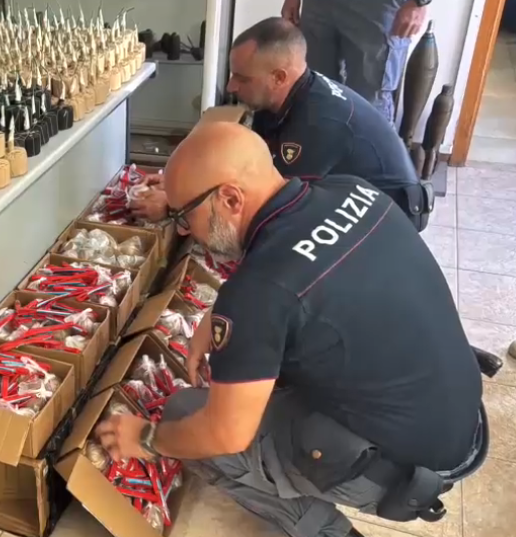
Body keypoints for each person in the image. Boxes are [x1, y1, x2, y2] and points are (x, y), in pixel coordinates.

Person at [96, 122, 485, 537]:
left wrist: (148, 438)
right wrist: (227, 311)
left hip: (406, 474)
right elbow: (308, 272)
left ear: (230, 199)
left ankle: (329, 532)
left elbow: (225, 434)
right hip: (461, 421)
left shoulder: (259, 292)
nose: (183, 229)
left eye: (185, 216)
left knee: (186, 417)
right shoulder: (352, 190)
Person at [132, 18, 431, 231]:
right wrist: (180, 182)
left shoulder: (317, 123)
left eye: (242, 78)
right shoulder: (277, 99)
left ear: (278, 77)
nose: (231, 86)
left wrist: (175, 205)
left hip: (390, 219)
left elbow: (274, 204)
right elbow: (250, 165)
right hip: (350, 195)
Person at [281, 0, 430, 122]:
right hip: (319, 6)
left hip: (376, 9)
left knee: (370, 105)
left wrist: (418, 2)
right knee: (317, 92)